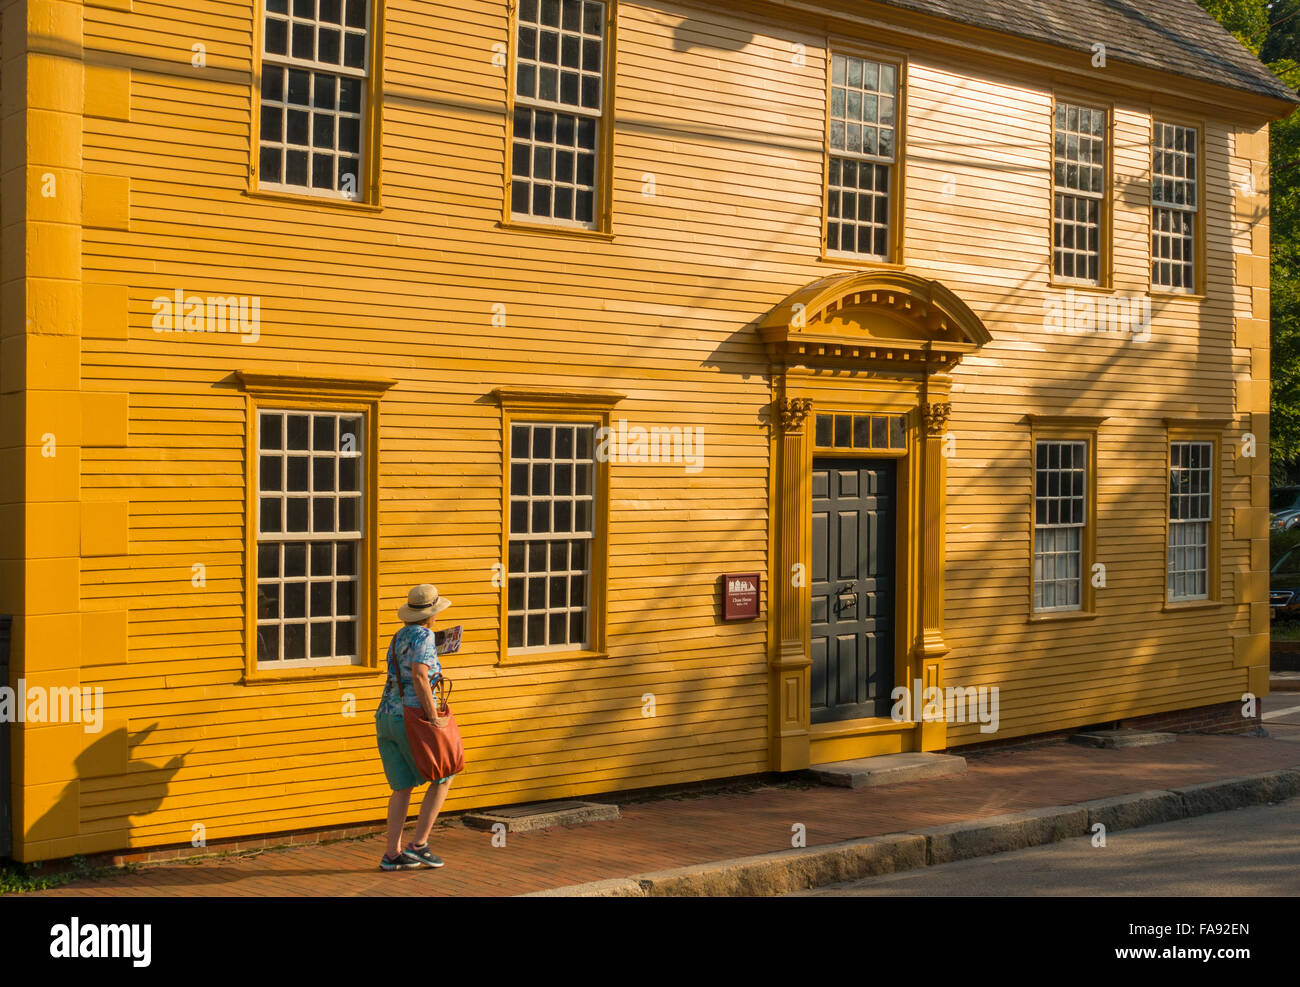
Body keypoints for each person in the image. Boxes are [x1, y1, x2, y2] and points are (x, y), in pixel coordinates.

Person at [375, 583, 455, 871]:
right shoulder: (424, 636)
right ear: (431, 614)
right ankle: (420, 844)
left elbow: (407, 669)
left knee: (402, 787)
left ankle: (392, 854)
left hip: (386, 715)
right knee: (444, 774)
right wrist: (433, 715)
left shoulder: (398, 637)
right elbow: (420, 676)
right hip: (411, 717)